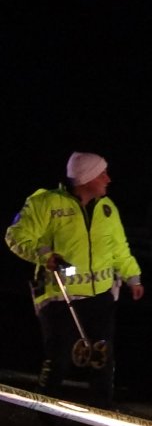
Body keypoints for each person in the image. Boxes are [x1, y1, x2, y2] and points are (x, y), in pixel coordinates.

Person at [5, 152, 144, 410]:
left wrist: (131, 276)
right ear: (86, 177)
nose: (108, 179)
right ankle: (44, 410)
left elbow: (118, 248)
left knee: (102, 358)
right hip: (60, 295)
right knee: (60, 359)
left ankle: (102, 420)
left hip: (101, 296)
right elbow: (16, 236)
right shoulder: (45, 203)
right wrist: (44, 256)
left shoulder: (107, 208)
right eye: (102, 174)